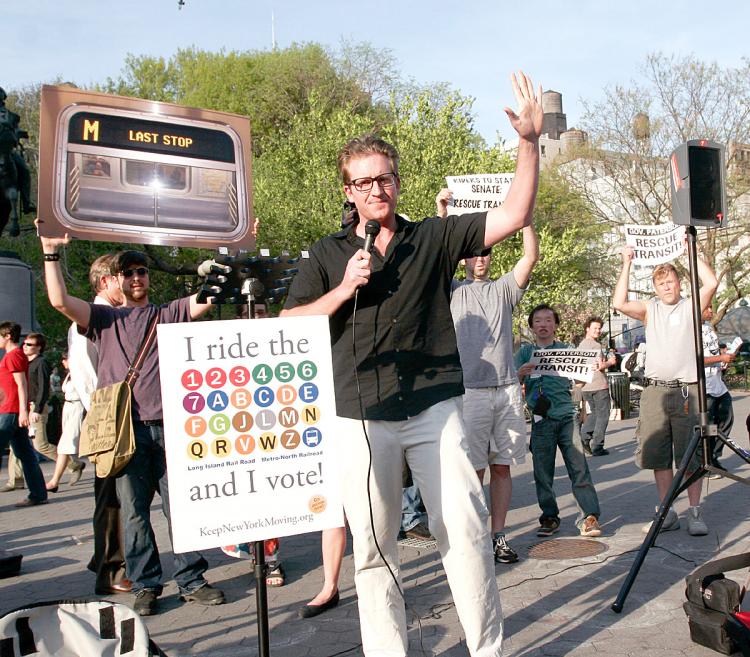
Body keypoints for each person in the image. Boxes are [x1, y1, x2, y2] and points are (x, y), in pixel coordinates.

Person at [281, 71, 542, 656]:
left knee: (467, 530)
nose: (377, 188)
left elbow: (515, 213)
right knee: (375, 549)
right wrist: (344, 288)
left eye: (385, 177)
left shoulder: (433, 238)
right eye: (364, 181)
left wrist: (529, 143)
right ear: (347, 190)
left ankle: (488, 649)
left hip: (435, 407)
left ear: (398, 182)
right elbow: (289, 324)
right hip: (360, 416)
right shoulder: (328, 254)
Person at [38, 235, 226, 616]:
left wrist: (227, 253)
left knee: (183, 510)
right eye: (128, 272)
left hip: (172, 427)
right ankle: (146, 585)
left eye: (141, 271)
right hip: (125, 431)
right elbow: (58, 301)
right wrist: (50, 252)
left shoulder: (167, 312)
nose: (136, 277)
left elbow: (210, 295)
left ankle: (191, 579)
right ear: (116, 279)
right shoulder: (103, 319)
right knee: (134, 513)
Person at [439, 187, 539, 563]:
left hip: (508, 390)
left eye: (486, 252)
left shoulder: (503, 290)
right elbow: (438, 257)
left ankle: (498, 535)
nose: (481, 258)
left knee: (502, 467)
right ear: (465, 257)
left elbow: (530, 256)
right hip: (472, 392)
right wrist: (442, 211)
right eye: (475, 252)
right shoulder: (453, 291)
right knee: (474, 470)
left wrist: (525, 218)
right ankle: (475, 536)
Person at [613, 246, 718, 536]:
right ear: (655, 289)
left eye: (670, 281)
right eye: (661, 284)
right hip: (655, 392)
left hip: (687, 391)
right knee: (659, 456)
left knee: (690, 457)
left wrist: (689, 253)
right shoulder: (650, 309)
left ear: (679, 283)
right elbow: (619, 302)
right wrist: (626, 263)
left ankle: (694, 512)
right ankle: (667, 510)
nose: (666, 287)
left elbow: (712, 283)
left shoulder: (691, 306)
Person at [515, 304, 603, 538]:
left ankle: (589, 517)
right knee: (542, 473)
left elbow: (579, 382)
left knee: (579, 468)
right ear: (532, 326)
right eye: (538, 321)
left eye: (548, 320)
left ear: (555, 325)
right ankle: (549, 516)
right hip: (540, 419)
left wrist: (588, 372)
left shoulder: (566, 350)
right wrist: (520, 374)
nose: (543, 324)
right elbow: (510, 382)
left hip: (567, 417)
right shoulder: (524, 353)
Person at [0, 322, 47, 507]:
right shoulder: (15, 355)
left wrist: (23, 412)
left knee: (25, 454)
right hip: (11, 410)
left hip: (10, 411)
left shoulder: (13, 356)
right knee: (25, 454)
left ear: (8, 336)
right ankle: (38, 494)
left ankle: (38, 493)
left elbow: (21, 385)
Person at [44, 352, 87, 491]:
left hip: (77, 408)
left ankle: (54, 481)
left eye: (65, 359)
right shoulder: (69, 374)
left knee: (65, 445)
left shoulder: (80, 374)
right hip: (68, 408)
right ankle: (76, 464)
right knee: (69, 444)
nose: (63, 362)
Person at [701, 306, 735, 477]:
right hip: (703, 386)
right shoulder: (691, 330)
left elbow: (712, 353)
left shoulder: (708, 328)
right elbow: (697, 358)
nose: (711, 311)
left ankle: (713, 456)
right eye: (707, 307)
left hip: (717, 383)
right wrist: (720, 358)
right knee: (708, 426)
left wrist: (723, 358)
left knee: (727, 418)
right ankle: (705, 462)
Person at [578, 317, 617, 456]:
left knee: (594, 413)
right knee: (603, 415)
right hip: (599, 384)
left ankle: (584, 438)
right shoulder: (595, 346)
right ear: (587, 328)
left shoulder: (581, 345)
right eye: (595, 328)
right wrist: (610, 362)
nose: (598, 331)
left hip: (586, 386)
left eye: (599, 328)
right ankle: (597, 445)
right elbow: (599, 366)